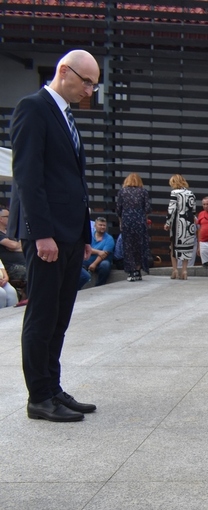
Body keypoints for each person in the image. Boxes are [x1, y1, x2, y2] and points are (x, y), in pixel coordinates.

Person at [9, 48, 100, 422]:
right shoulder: (33, 108)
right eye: (86, 82)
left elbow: (71, 181)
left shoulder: (64, 115)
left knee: (59, 317)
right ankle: (39, 397)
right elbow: (28, 177)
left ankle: (53, 387)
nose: (90, 91)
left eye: (94, 84)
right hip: (45, 235)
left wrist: (82, 234)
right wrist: (41, 234)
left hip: (67, 235)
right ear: (65, 71)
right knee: (42, 316)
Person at [116, 172, 151, 282]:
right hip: (140, 221)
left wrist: (121, 222)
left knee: (128, 246)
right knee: (140, 245)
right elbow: (148, 208)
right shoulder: (143, 192)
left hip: (127, 221)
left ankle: (131, 272)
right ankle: (138, 270)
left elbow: (118, 209)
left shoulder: (122, 192)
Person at [163, 174, 197, 280]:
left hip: (178, 223)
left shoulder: (174, 193)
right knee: (186, 246)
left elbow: (171, 210)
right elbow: (194, 209)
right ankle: (185, 271)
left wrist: (168, 223)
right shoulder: (191, 193)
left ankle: (175, 270)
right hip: (189, 222)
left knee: (173, 247)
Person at [79, 216, 115, 289]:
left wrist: (94, 264)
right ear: (95, 226)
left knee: (105, 265)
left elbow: (104, 254)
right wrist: (98, 252)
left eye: (104, 225)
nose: (102, 227)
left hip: (101, 262)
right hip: (87, 260)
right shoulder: (89, 236)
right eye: (100, 225)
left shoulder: (109, 239)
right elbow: (84, 248)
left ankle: (99, 286)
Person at [0, 206, 27, 286]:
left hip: (23, 263)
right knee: (29, 273)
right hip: (9, 267)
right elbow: (13, 245)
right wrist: (16, 246)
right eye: (7, 216)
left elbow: (22, 246)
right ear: (0, 219)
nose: (10, 218)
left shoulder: (10, 232)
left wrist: (16, 247)